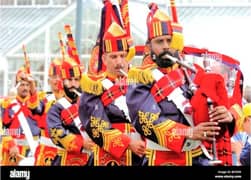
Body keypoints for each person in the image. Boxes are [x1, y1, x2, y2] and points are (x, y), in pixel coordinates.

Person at [126, 3, 234, 166]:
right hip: (161, 159)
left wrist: (226, 117)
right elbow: (144, 119)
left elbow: (209, 113)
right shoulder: (140, 77)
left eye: (169, 40)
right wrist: (188, 132)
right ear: (149, 47)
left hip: (197, 156)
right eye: (159, 41)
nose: (166, 46)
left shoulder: (193, 73)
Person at [78, 21, 146, 166]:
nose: (119, 62)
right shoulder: (95, 87)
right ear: (104, 59)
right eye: (114, 57)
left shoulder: (139, 83)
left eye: (122, 56)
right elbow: (95, 125)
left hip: (142, 154)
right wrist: (127, 143)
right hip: (109, 157)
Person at [46, 55, 95, 166]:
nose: (73, 84)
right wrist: (81, 143)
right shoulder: (55, 108)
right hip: (67, 160)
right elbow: (55, 133)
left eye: (76, 80)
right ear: (62, 82)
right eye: (69, 80)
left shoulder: (89, 103)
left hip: (92, 158)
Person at [1, 66, 44, 165]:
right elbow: (3, 128)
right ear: (16, 86)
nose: (25, 88)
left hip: (34, 150)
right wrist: (11, 144)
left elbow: (38, 110)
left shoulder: (37, 103)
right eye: (22, 85)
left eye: (27, 85)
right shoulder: (6, 104)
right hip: (13, 151)